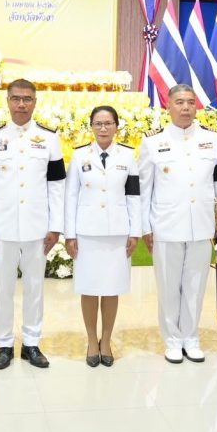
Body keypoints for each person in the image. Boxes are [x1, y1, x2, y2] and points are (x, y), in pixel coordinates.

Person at [139, 84, 217, 364]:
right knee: (169, 287)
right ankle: (172, 340)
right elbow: (144, 188)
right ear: (168, 106)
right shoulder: (153, 141)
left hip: (201, 224)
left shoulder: (212, 139)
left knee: (195, 285)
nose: (186, 107)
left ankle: (191, 338)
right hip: (166, 225)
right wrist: (145, 226)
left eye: (190, 102)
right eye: (179, 102)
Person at [0, 79, 65, 370]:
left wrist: (55, 226)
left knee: (35, 287)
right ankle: (4, 344)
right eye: (16, 99)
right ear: (7, 101)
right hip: (2, 228)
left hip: (37, 227)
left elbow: (57, 185)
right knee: (2, 289)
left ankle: (31, 343)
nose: (21, 104)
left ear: (35, 102)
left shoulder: (49, 138)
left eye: (27, 99)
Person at [64, 106, 140, 367]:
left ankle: (106, 340)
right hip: (87, 232)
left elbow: (134, 196)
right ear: (91, 127)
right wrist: (70, 234)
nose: (103, 128)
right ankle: (91, 340)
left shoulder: (128, 156)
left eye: (108, 123)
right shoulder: (79, 155)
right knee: (88, 287)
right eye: (98, 123)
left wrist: (135, 231)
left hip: (117, 232)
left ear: (117, 126)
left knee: (111, 288)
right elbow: (70, 196)